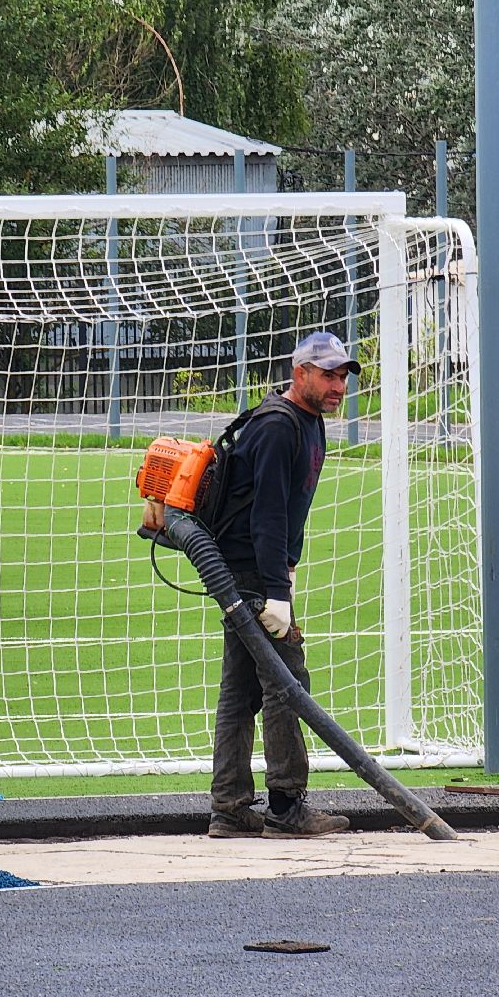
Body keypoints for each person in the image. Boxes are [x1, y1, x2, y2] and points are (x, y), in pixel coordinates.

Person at [207, 331, 360, 839]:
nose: (338, 385)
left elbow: (285, 511)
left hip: (252, 570)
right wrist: (276, 591)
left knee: (241, 689)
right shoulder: (278, 426)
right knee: (287, 686)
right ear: (301, 373)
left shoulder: (307, 421)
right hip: (251, 573)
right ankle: (286, 806)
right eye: (328, 375)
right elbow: (268, 515)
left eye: (343, 376)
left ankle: (230, 808)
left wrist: (285, 572)